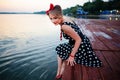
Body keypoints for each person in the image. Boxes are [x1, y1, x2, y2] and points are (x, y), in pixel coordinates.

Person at [46, 3, 102, 80]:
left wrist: (72, 56)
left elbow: (78, 40)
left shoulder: (64, 26)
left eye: (55, 18)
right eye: (51, 18)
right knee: (60, 48)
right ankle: (59, 70)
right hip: (84, 42)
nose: (53, 21)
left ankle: (60, 71)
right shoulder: (65, 19)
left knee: (60, 49)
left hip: (80, 45)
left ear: (60, 15)